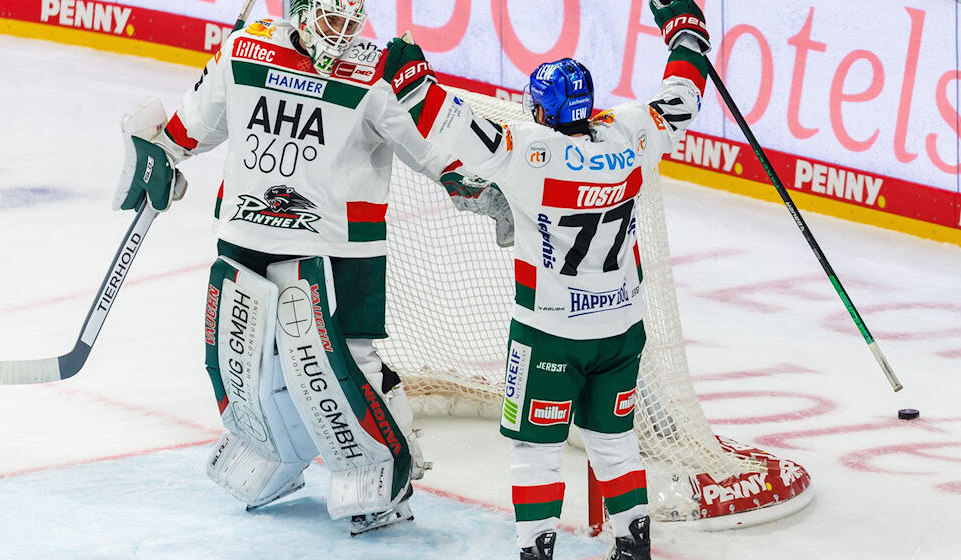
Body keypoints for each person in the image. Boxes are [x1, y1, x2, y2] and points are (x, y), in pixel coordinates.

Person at [111, 0, 482, 535]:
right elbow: (191, 129)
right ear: (303, 15)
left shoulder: (373, 71)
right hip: (247, 232)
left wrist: (466, 180)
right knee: (246, 362)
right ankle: (274, 454)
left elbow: (427, 148)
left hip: (340, 244)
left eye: (353, 22)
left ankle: (384, 471)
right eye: (334, 20)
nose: (344, 34)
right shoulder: (243, 50)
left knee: (342, 365)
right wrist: (161, 155)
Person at [382, 0, 712, 557]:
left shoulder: (526, 154)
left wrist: (406, 65)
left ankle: (536, 548)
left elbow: (437, 114)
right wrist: (684, 25)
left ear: (542, 110)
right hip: (621, 331)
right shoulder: (631, 133)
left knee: (535, 449)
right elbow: (684, 91)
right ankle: (633, 544)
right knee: (615, 441)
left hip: (549, 334)